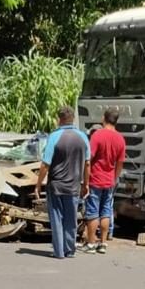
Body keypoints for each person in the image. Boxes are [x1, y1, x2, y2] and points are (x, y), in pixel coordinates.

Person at [35, 106, 90, 259]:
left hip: (56, 186)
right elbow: (87, 164)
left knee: (56, 218)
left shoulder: (54, 136)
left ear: (60, 119)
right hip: (73, 186)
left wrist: (38, 184)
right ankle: (69, 249)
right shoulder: (83, 137)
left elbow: (45, 164)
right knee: (71, 219)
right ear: (72, 119)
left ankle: (59, 251)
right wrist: (86, 184)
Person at [81, 108, 125, 254]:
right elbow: (120, 163)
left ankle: (91, 243)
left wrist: (85, 180)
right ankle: (103, 243)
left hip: (95, 179)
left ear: (103, 118)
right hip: (109, 181)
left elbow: (89, 159)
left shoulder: (97, 136)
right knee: (106, 211)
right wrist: (114, 178)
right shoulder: (120, 139)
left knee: (92, 211)